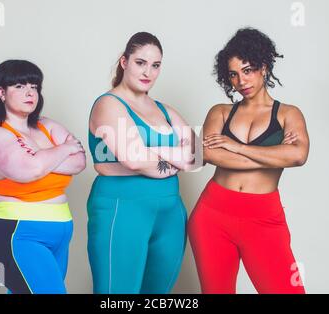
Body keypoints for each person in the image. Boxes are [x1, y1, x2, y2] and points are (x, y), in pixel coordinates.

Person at [188, 28, 309, 294]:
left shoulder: (288, 114)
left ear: (263, 67)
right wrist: (275, 154)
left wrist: (235, 147)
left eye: (248, 70)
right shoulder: (219, 112)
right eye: (233, 74)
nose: (241, 80)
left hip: (263, 218)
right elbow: (207, 153)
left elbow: (298, 156)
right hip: (212, 215)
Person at [87, 32, 196, 294]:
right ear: (124, 62)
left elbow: (196, 157)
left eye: (155, 65)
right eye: (140, 62)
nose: (148, 72)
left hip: (170, 213)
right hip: (122, 208)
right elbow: (134, 159)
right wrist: (172, 154)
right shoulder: (107, 104)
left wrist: (150, 149)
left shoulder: (165, 109)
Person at [0, 59, 86, 294]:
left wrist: (42, 157)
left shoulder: (46, 125)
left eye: (34, 86)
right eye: (19, 86)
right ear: (1, 92)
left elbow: (79, 161)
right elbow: (30, 170)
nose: (29, 92)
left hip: (60, 231)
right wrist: (63, 149)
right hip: (17, 233)